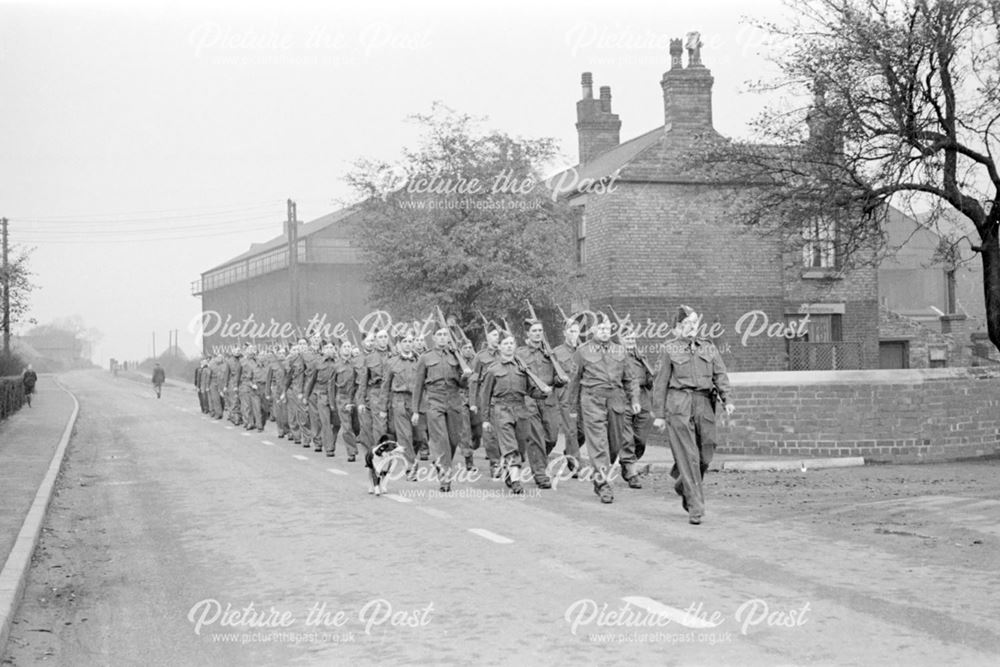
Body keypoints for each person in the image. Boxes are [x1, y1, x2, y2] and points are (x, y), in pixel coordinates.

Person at [651, 306, 735, 525]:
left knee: (706, 452)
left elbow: (720, 374)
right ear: (678, 327)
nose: (692, 326)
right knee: (689, 456)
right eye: (687, 323)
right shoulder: (669, 349)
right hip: (679, 405)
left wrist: (727, 399)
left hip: (704, 404)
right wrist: (659, 414)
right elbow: (660, 383)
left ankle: (682, 485)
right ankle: (696, 506)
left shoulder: (708, 347)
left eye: (694, 322)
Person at [567, 318, 640, 504]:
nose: (605, 331)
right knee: (598, 444)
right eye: (600, 328)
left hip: (615, 400)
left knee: (614, 446)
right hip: (592, 400)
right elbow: (574, 380)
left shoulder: (620, 350)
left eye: (607, 328)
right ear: (592, 329)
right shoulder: (582, 351)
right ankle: (604, 485)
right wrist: (572, 407)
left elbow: (630, 379)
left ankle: (600, 476)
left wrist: (635, 399)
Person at [480, 333, 552, 494]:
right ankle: (516, 481)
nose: (509, 346)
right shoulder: (493, 370)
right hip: (501, 410)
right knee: (510, 447)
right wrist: (485, 419)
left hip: (521, 410)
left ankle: (509, 472)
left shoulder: (523, 367)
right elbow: (485, 396)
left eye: (511, 343)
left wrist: (544, 393)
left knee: (520, 447)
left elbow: (531, 390)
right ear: (499, 347)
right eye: (505, 343)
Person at [411, 326, 471, 492]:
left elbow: (462, 384)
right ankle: (445, 478)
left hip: (453, 401)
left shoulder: (455, 356)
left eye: (445, 335)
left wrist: (465, 376)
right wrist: (415, 410)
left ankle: (441, 461)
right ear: (434, 337)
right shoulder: (426, 357)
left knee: (453, 439)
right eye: (439, 335)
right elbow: (418, 385)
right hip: (434, 401)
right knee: (441, 439)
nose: (443, 337)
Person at [516, 318, 567, 489]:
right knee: (536, 437)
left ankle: (537, 459)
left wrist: (559, 381)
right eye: (534, 331)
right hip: (530, 399)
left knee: (552, 437)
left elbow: (556, 375)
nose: (538, 334)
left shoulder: (550, 353)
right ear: (527, 334)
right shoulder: (520, 354)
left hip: (549, 399)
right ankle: (540, 474)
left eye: (540, 331)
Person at [380, 331, 421, 481]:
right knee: (405, 436)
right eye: (405, 342)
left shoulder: (420, 361)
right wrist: (383, 409)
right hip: (399, 402)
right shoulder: (392, 362)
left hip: (417, 402)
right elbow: (385, 386)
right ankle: (410, 467)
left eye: (410, 341)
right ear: (399, 344)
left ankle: (408, 455)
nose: (408, 344)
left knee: (420, 437)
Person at [468, 326, 503, 478]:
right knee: (490, 434)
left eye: (498, 335)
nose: (497, 337)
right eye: (494, 335)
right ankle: (495, 463)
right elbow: (474, 380)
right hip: (486, 398)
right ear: (488, 337)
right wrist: (472, 401)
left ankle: (506, 461)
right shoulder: (480, 357)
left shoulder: (506, 353)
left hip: (503, 398)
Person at [553, 320, 585, 477]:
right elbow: (552, 376)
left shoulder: (584, 351)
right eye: (571, 331)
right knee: (571, 432)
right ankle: (576, 465)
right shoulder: (557, 353)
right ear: (565, 333)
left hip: (583, 396)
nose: (574, 334)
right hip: (565, 396)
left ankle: (569, 452)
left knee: (583, 432)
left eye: (576, 331)